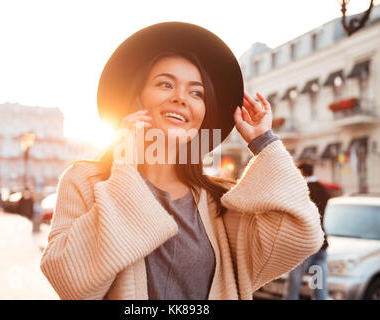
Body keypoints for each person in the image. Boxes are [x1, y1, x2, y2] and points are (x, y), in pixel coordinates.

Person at [40, 22, 324, 300]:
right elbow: (70, 283)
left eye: (196, 92)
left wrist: (263, 142)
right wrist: (125, 164)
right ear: (138, 98)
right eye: (165, 84)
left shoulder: (218, 203)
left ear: (203, 113)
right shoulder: (85, 181)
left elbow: (302, 233)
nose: (180, 98)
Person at [285, 160, 331, 300]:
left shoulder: (302, 189)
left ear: (301, 172)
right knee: (319, 284)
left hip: (305, 243)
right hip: (321, 242)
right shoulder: (324, 190)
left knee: (294, 282)